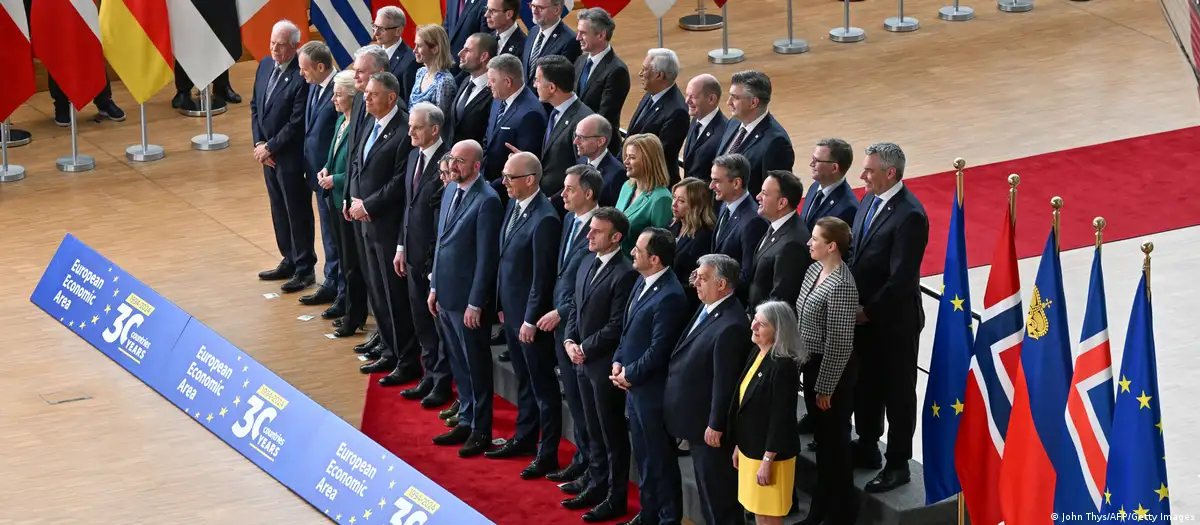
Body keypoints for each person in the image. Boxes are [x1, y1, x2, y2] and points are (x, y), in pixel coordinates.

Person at [848, 142, 929, 492]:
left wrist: (869, 311)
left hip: (893, 321)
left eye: (869, 170)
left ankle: (898, 463)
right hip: (863, 316)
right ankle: (867, 444)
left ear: (891, 173)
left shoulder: (910, 214)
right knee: (865, 383)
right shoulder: (869, 198)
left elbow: (902, 278)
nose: (863, 175)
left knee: (897, 393)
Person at [485, 152, 564, 481]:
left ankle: (548, 454)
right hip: (513, 312)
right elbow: (506, 259)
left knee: (543, 388)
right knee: (523, 380)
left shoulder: (544, 218)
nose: (503, 183)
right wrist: (503, 304)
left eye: (509, 178)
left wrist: (531, 319)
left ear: (530, 179)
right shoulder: (514, 206)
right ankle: (525, 437)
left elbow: (541, 278)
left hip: (530, 319)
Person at [562, 206, 638, 522]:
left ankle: (614, 496)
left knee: (611, 434)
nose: (589, 234)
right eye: (590, 229)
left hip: (603, 366)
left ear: (616, 237)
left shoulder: (625, 272)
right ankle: (594, 482)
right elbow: (575, 309)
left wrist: (584, 347)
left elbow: (617, 324)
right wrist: (568, 341)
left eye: (597, 231)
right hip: (581, 360)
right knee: (591, 428)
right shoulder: (585, 262)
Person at [665, 253, 752, 525]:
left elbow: (724, 381)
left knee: (720, 500)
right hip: (696, 422)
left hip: (710, 431)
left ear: (722, 284)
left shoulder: (731, 325)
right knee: (708, 496)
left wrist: (716, 424)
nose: (695, 283)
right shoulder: (709, 308)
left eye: (702, 278)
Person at [430, 140, 504, 458]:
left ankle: (481, 429)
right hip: (445, 292)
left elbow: (487, 258)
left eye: (460, 161)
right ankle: (466, 418)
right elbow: (440, 242)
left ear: (476, 166)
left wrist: (476, 302)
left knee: (475, 365)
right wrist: (433, 286)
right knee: (459, 363)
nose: (453, 165)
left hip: (467, 301)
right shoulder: (450, 190)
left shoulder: (488, 201)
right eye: (452, 159)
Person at [346, 72, 420, 387]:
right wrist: (352, 199)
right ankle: (388, 350)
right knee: (377, 291)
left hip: (387, 225)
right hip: (364, 221)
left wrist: (369, 205)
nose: (366, 98)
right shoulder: (370, 122)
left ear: (391, 97)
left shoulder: (404, 131)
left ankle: (406, 359)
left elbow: (398, 184)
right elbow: (356, 163)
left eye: (373, 94)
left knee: (394, 296)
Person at [611, 227, 688, 525]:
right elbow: (628, 330)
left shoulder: (669, 295)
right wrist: (619, 361)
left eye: (639, 250)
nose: (632, 252)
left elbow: (659, 350)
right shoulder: (643, 281)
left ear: (654, 259)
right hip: (634, 388)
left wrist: (628, 373)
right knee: (644, 458)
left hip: (652, 393)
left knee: (660, 461)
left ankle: (668, 519)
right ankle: (649, 513)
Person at [541, 165, 605, 488]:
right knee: (575, 402)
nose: (562, 194)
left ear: (588, 194)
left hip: (578, 329)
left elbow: (588, 288)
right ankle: (582, 459)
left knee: (584, 405)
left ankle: (592, 466)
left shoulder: (600, 229)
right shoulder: (569, 219)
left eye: (569, 189)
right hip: (561, 327)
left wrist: (560, 313)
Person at [795, 216, 860, 525]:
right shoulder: (813, 271)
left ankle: (836, 511)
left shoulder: (843, 286)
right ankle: (825, 508)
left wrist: (825, 387)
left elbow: (840, 343)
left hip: (831, 371)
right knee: (824, 442)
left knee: (834, 445)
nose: (809, 243)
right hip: (811, 364)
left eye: (815, 239)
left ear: (831, 246)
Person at [796, 137, 860, 436]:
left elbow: (838, 341)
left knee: (832, 430)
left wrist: (824, 385)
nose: (810, 164)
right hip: (809, 350)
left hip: (825, 354)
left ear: (834, 167)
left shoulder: (846, 206)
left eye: (817, 161)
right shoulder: (814, 190)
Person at [395, 103, 454, 409]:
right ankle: (429, 375)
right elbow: (409, 206)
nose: (410, 132)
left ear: (434, 130)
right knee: (421, 320)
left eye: (416, 128)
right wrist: (401, 247)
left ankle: (442, 383)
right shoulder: (412, 157)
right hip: (413, 253)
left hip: (435, 261)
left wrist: (434, 264)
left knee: (438, 326)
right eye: (410, 127)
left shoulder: (448, 164)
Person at [252, 20, 316, 295]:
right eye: (272, 43)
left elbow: (296, 121)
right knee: (278, 208)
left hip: (289, 156)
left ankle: (305, 268)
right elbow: (255, 106)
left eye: (281, 45)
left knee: (296, 210)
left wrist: (271, 147)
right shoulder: (265, 65)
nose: (275, 49)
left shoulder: (300, 76)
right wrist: (259, 143)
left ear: (294, 46)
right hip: (267, 154)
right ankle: (288, 258)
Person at [728, 300, 802, 525]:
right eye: (755, 321)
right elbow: (746, 405)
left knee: (768, 514)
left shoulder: (783, 366)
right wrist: (739, 445)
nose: (753, 327)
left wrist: (768, 460)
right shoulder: (757, 353)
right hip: (752, 449)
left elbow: (781, 418)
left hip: (770, 456)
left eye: (761, 324)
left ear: (778, 331)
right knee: (757, 510)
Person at [317, 71, 368, 337]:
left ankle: (354, 315)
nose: (333, 100)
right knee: (343, 258)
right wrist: (325, 170)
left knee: (352, 264)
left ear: (351, 96)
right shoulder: (340, 122)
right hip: (335, 200)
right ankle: (347, 307)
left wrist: (335, 179)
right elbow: (332, 156)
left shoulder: (359, 127)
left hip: (347, 201)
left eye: (338, 94)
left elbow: (356, 168)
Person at [298, 41, 342, 310]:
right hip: (316, 174)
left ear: (321, 66)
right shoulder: (315, 88)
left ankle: (335, 284)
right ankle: (331, 281)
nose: (302, 74)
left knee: (334, 235)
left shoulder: (339, 91)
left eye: (305, 69)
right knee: (327, 233)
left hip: (332, 176)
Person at [715, 70, 795, 197]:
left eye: (735, 97)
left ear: (753, 102)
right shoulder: (733, 123)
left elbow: (774, 196)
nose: (728, 102)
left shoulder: (776, 143)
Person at [746, 170, 808, 313]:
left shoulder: (792, 244)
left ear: (782, 203)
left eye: (764, 193)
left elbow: (780, 299)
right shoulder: (776, 226)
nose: (757, 197)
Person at [573, 7, 629, 155]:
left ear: (601, 35)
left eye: (583, 33)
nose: (578, 37)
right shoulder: (581, 60)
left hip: (598, 149)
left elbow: (604, 118)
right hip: (578, 141)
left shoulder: (617, 71)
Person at [627, 48, 689, 182]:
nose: (640, 73)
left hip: (654, 182)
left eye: (644, 70)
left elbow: (659, 155)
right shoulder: (651, 93)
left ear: (659, 75)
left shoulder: (677, 111)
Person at [709, 153, 768, 291]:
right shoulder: (725, 204)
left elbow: (747, 276)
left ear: (736, 183)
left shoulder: (753, 223)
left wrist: (714, 284)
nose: (711, 186)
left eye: (717, 181)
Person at [615, 134, 674, 254]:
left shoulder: (662, 199)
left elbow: (659, 248)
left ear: (648, 161)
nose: (625, 162)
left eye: (631, 157)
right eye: (626, 156)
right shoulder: (627, 186)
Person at [668, 177, 715, 312]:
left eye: (681, 201)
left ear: (696, 206)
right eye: (674, 197)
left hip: (684, 303)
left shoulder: (703, 236)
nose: (674, 204)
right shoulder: (672, 225)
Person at [449, 33, 496, 146]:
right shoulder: (465, 81)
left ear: (483, 57)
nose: (460, 54)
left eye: (468, 50)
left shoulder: (494, 92)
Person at [522, 0, 582, 87]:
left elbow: (561, 83)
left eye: (540, 7)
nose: (534, 11)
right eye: (532, 5)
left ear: (556, 10)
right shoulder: (533, 32)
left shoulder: (570, 41)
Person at [682, 74, 727, 182]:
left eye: (692, 96)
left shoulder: (724, 133)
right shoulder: (696, 119)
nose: (687, 101)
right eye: (686, 95)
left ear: (711, 99)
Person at [574, 114, 627, 207]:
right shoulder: (581, 159)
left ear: (600, 141)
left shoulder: (618, 174)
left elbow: (613, 214)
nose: (575, 141)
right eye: (576, 135)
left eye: (581, 138)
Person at [410, 25, 459, 120]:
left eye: (419, 46)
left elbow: (440, 121)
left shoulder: (444, 82)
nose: (414, 50)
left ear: (435, 49)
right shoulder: (421, 72)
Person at [374, 6, 421, 105]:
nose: (376, 33)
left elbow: (407, 101)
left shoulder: (410, 61)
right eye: (375, 26)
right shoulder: (373, 55)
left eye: (382, 29)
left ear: (398, 31)